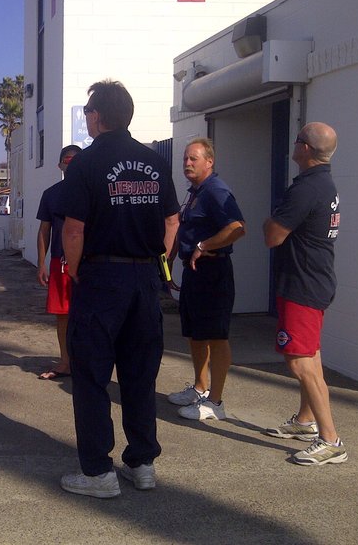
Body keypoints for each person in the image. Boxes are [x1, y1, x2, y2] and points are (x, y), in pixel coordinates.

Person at [59, 80, 179, 498]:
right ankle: (142, 463)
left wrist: (76, 270)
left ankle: (98, 473)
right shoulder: (154, 162)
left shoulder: (85, 163)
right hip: (145, 279)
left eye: (88, 111)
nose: (87, 117)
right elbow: (172, 221)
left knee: (91, 375)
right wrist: (158, 262)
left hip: (102, 278)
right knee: (140, 374)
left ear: (97, 116)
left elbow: (74, 229)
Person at [262, 122, 346, 465]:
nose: (293, 145)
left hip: (302, 285)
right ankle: (305, 420)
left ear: (305, 148)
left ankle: (331, 441)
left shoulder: (307, 188)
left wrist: (269, 221)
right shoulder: (324, 183)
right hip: (314, 281)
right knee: (311, 356)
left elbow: (273, 236)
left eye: (297, 140)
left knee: (299, 362)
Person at [168, 138, 245, 420]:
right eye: (185, 158)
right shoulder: (195, 192)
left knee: (216, 335)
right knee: (196, 333)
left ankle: (215, 402)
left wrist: (204, 246)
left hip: (214, 272)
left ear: (209, 162)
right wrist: (170, 261)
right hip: (194, 272)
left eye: (194, 159)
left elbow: (237, 228)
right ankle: (200, 388)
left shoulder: (216, 190)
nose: (187, 163)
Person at [36, 144, 82, 380]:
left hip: (88, 265)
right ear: (60, 165)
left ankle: (86, 362)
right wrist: (41, 263)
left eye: (76, 160)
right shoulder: (51, 194)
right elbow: (44, 230)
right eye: (67, 160)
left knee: (89, 315)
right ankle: (66, 362)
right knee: (63, 316)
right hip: (59, 264)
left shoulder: (93, 192)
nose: (71, 164)